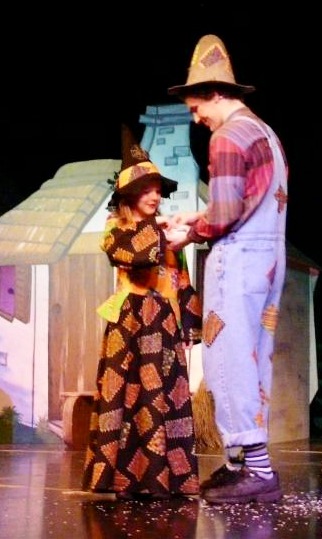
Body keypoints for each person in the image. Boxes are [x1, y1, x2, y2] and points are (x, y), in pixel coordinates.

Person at [166, 34, 289, 505]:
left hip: (238, 261)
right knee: (254, 358)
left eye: (197, 107)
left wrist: (189, 233)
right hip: (268, 256)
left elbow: (223, 215)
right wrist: (196, 217)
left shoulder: (227, 138)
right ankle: (241, 463)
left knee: (229, 358)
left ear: (216, 93)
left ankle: (257, 471)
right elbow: (245, 202)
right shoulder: (265, 133)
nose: (196, 118)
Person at [81, 125, 202, 501]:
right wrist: (159, 227)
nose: (154, 196)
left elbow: (179, 277)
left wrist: (191, 323)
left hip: (162, 323)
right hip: (129, 324)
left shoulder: (164, 236)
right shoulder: (114, 229)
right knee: (126, 398)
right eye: (146, 189)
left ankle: (163, 478)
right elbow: (135, 254)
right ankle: (122, 478)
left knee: (163, 399)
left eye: (157, 190)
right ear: (129, 194)